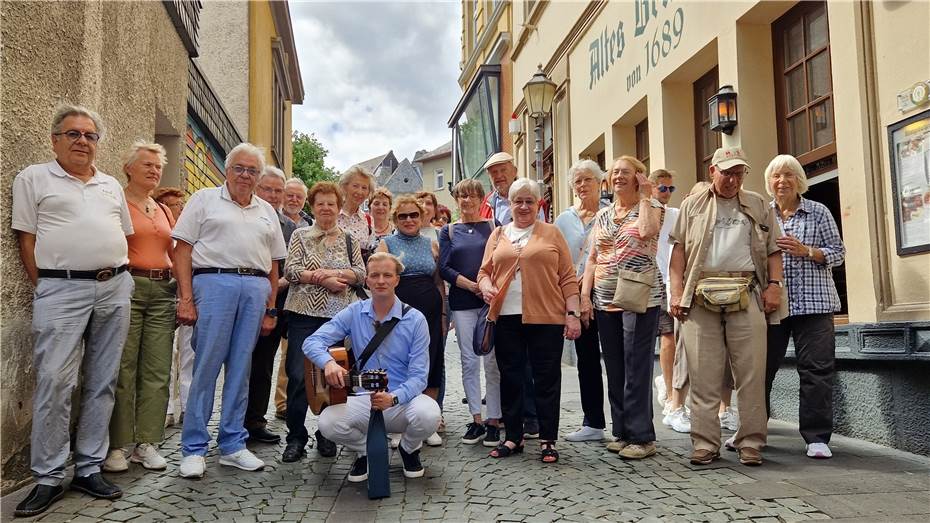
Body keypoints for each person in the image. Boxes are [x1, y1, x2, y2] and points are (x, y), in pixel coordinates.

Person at [12, 104, 134, 517]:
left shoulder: (110, 184)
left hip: (114, 286)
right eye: (73, 134)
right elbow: (26, 239)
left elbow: (122, 235)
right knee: (53, 381)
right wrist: (46, 283)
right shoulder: (34, 178)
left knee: (102, 380)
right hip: (60, 288)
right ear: (55, 139)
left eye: (90, 135)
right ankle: (47, 477)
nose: (82, 141)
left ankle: (88, 467)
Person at [172, 143, 287, 479]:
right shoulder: (204, 199)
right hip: (213, 282)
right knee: (206, 366)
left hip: (254, 288)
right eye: (239, 168)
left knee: (242, 369)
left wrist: (271, 308)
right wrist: (186, 297)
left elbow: (273, 264)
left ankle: (233, 444)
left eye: (252, 170)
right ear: (227, 169)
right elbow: (182, 250)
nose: (245, 175)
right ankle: (194, 447)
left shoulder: (266, 210)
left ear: (259, 176)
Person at [669, 146, 785, 467]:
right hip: (701, 291)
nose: (733, 179)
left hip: (747, 289)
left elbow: (774, 250)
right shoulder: (691, 205)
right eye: (727, 172)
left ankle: (750, 443)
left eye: (738, 173)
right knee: (703, 372)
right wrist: (676, 292)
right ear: (713, 171)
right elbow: (677, 254)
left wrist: (774, 287)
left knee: (751, 372)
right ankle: (705, 443)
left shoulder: (759, 204)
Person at [305, 252, 442, 482]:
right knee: (327, 422)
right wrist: (328, 363)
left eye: (387, 275)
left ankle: (409, 448)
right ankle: (365, 450)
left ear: (397, 279)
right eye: (375, 275)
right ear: (366, 280)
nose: (381, 281)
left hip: (402, 401)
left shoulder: (416, 319)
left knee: (429, 414)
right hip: (363, 399)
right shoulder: (354, 312)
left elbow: (419, 377)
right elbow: (311, 342)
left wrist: (394, 398)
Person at [478, 178, 581, 463]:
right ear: (509, 205)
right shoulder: (498, 234)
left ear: (538, 205)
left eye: (529, 201)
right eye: (518, 201)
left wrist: (572, 314)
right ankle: (513, 437)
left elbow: (568, 277)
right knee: (510, 378)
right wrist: (486, 285)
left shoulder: (551, 233)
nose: (523, 206)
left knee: (546, 378)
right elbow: (484, 272)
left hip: (547, 317)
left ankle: (548, 439)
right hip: (506, 317)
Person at [580, 156, 664, 460]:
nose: (618, 177)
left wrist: (644, 196)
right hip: (605, 298)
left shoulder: (651, 206)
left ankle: (642, 437)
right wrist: (584, 295)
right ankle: (622, 431)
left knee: (636, 365)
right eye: (614, 172)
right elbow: (592, 258)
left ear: (639, 177)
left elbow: (646, 232)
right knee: (614, 365)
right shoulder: (602, 215)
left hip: (640, 295)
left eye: (625, 172)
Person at [763, 154, 845, 459]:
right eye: (776, 176)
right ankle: (753, 431)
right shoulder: (761, 214)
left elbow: (838, 253)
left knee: (816, 371)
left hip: (815, 303)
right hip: (773, 305)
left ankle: (817, 438)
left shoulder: (818, 212)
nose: (782, 181)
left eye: (789, 175)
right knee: (759, 369)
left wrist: (807, 251)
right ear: (769, 182)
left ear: (799, 180)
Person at [103, 142, 177, 474]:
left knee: (158, 369)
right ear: (128, 167)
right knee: (124, 367)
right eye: (146, 164)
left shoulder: (161, 209)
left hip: (162, 290)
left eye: (158, 166)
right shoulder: (116, 201)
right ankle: (118, 445)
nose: (153, 170)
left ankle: (146, 443)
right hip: (128, 285)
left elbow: (174, 253)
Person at [282, 181, 365, 462]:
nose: (326, 208)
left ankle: (327, 435)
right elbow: (291, 271)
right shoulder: (299, 235)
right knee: (297, 376)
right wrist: (324, 278)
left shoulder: (350, 238)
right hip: (303, 314)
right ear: (313, 207)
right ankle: (295, 437)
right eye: (320, 203)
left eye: (331, 203)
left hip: (340, 317)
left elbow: (360, 273)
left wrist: (330, 274)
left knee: (336, 378)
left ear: (338, 207)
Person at [477, 151, 544, 438]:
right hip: (497, 289)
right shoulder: (488, 204)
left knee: (529, 362)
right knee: (507, 362)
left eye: (503, 170)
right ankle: (509, 416)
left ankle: (532, 416)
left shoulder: (526, 196)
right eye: (493, 172)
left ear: (514, 169)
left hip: (528, 291)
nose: (498, 176)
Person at [376, 196, 445, 446]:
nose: (409, 220)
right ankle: (397, 422)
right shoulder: (387, 243)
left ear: (421, 217)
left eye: (413, 215)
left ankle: (429, 423)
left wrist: (444, 314)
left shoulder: (431, 244)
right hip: (398, 313)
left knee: (430, 361)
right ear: (395, 219)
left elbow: (438, 282)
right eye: (403, 216)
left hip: (430, 313)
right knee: (398, 363)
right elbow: (378, 278)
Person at [439, 179, 501, 446]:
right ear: (457, 200)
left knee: (492, 362)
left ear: (480, 199)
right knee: (469, 361)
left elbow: (502, 261)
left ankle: (495, 420)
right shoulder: (449, 231)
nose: (467, 201)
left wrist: (486, 287)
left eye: (472, 196)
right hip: (463, 303)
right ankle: (476, 419)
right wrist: (472, 285)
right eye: (462, 196)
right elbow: (444, 267)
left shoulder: (493, 227)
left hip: (490, 302)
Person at [554, 160, 609, 443]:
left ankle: (626, 424)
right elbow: (558, 260)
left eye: (588, 179)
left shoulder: (611, 213)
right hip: (576, 295)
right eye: (578, 181)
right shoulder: (564, 220)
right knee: (586, 360)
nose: (583, 185)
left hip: (610, 293)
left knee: (616, 360)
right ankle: (594, 423)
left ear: (600, 182)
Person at [244, 166, 289, 445]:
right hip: (247, 298)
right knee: (239, 364)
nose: (273, 195)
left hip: (277, 306)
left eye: (278, 191)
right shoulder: (248, 217)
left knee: (263, 365)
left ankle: (255, 421)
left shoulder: (291, 226)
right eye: (267, 189)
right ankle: (233, 420)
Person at [272, 177, 314, 421]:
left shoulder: (310, 224)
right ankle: (278, 403)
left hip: (299, 298)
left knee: (291, 353)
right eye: (290, 195)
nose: (294, 200)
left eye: (299, 196)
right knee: (266, 355)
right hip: (272, 292)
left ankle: (285, 402)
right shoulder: (273, 220)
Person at [154, 187, 191, 428]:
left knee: (189, 354)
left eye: (181, 205)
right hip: (164, 295)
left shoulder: (190, 233)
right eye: (175, 206)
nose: (179, 209)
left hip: (187, 296)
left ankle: (188, 407)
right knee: (164, 355)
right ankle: (165, 409)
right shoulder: (163, 234)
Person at [338, 165, 377, 260]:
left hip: (359, 273)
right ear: (344, 187)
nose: (360, 192)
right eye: (355, 186)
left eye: (364, 188)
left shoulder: (368, 220)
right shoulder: (331, 214)